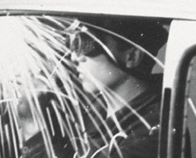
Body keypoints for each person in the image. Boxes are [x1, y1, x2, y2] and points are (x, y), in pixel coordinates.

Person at [21, 17, 168, 158]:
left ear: (132, 57)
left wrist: (32, 126)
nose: (75, 57)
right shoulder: (95, 112)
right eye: (73, 43)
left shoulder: (151, 138)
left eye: (87, 42)